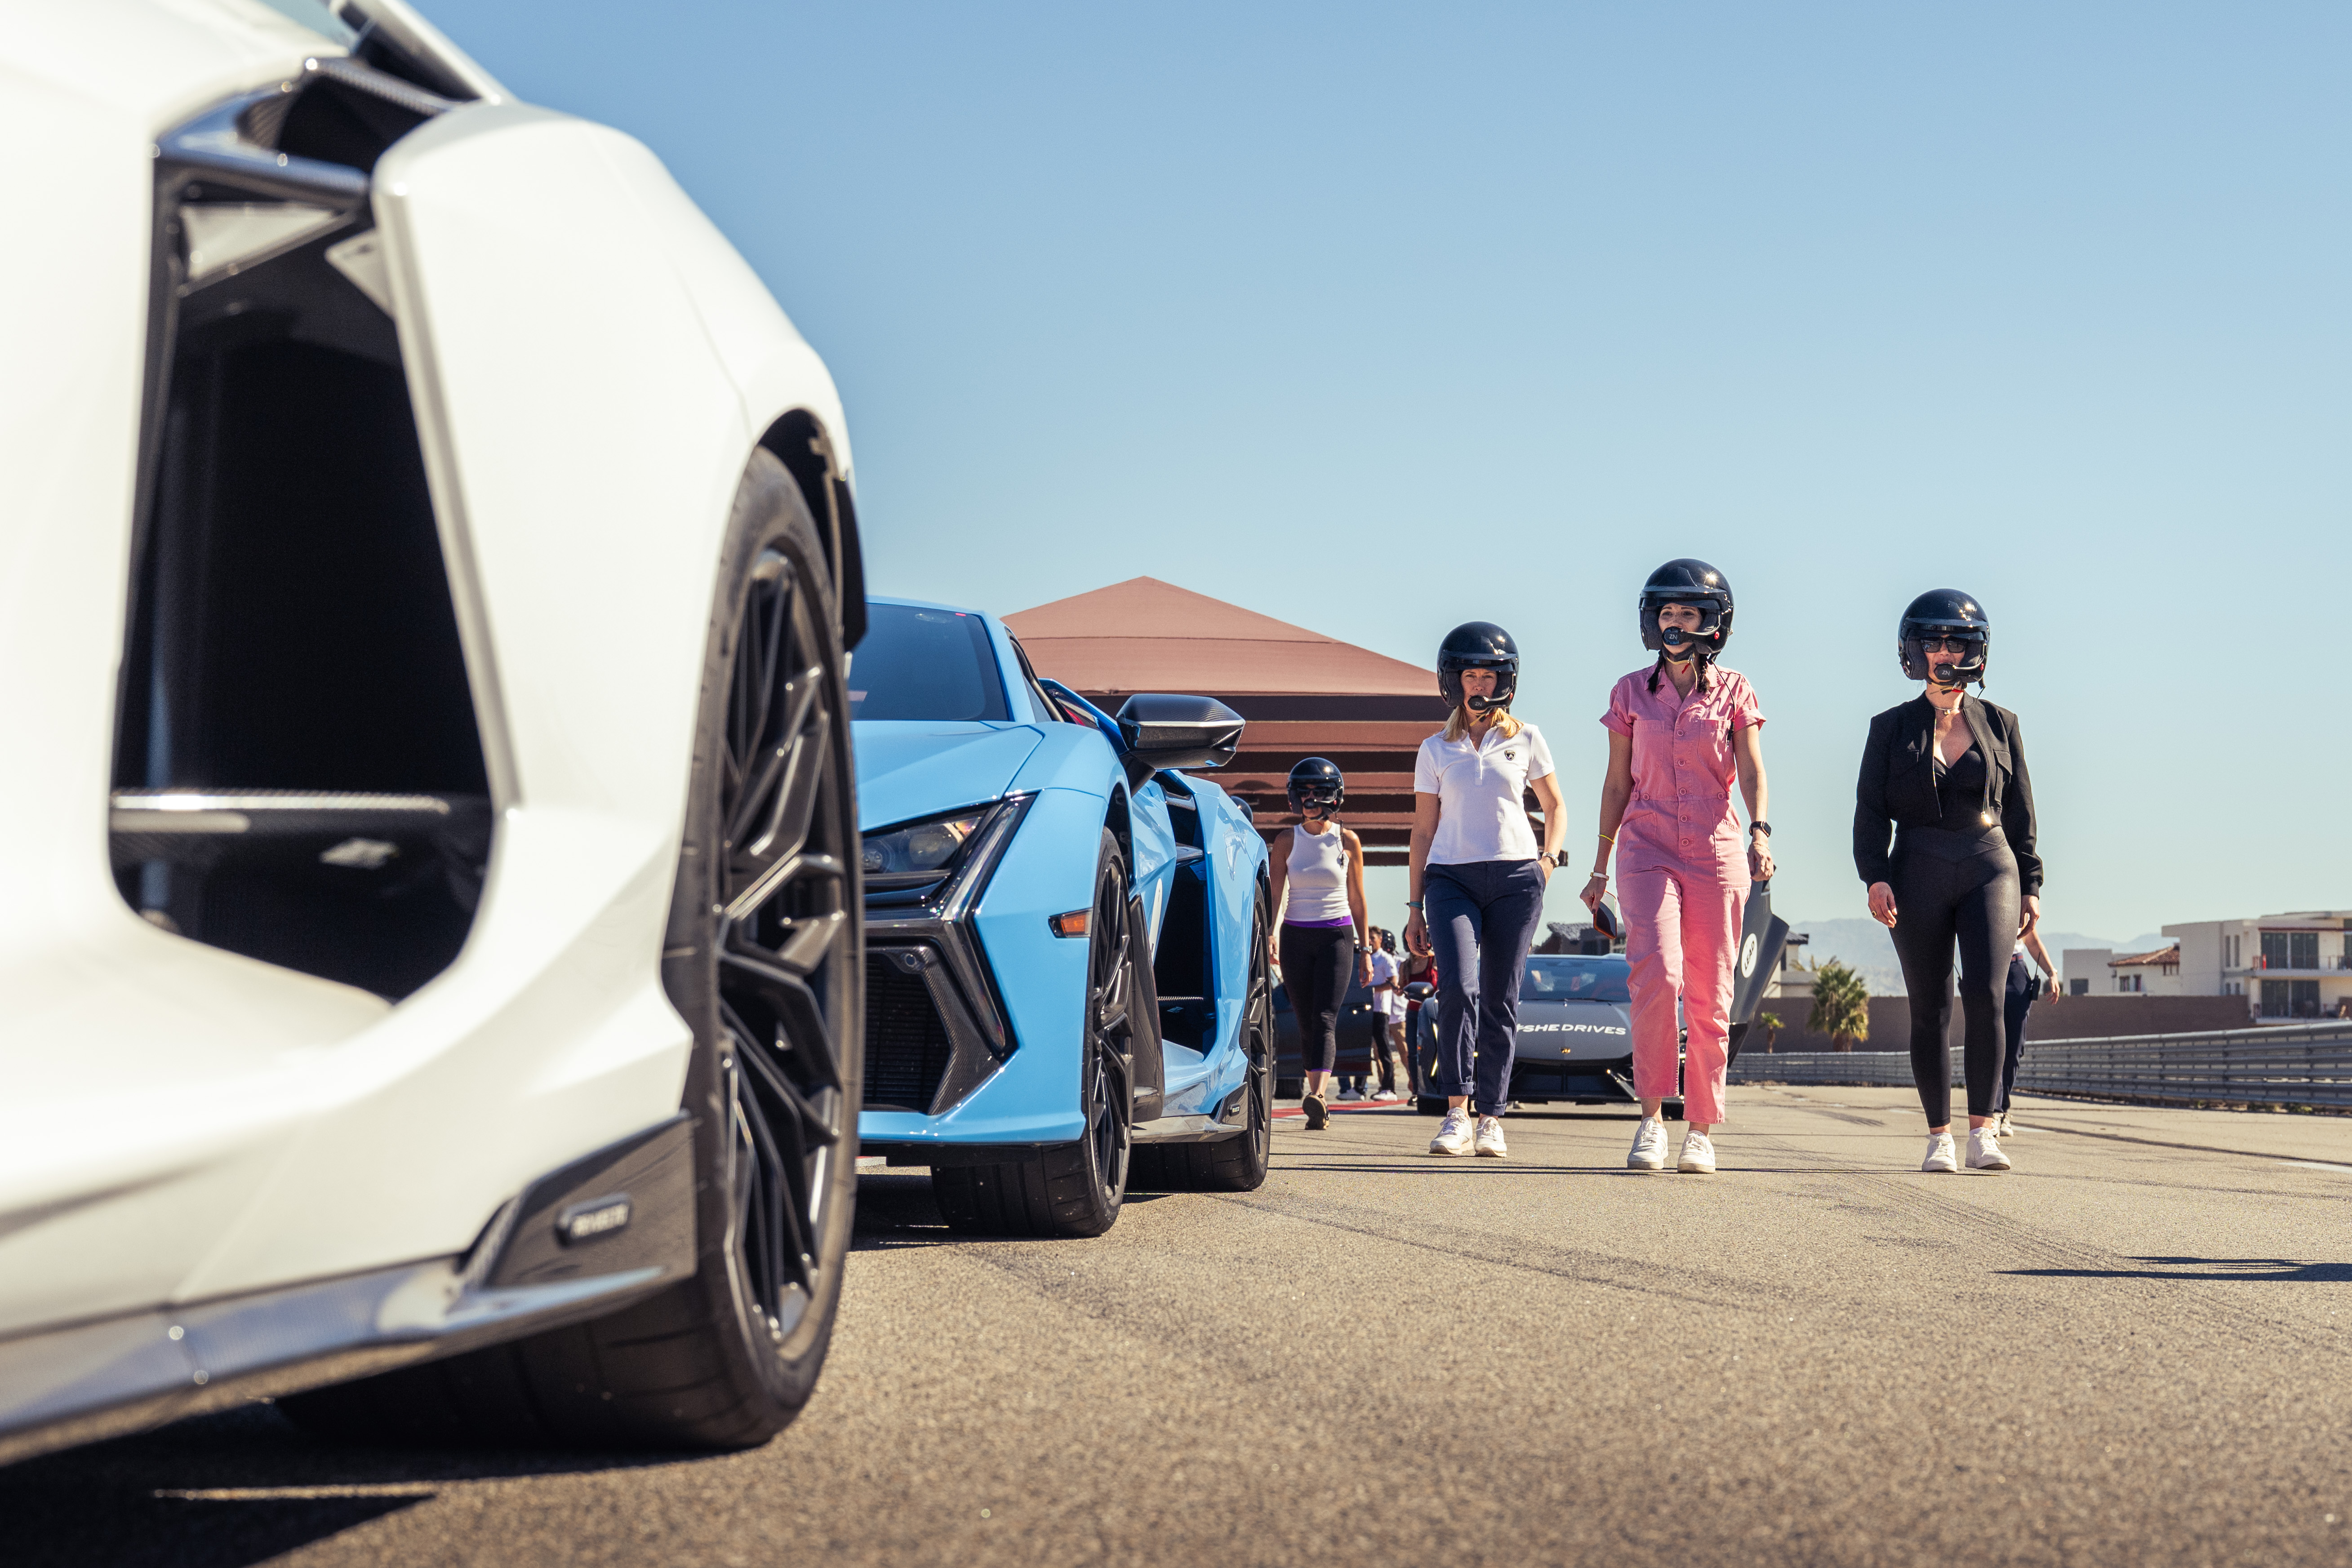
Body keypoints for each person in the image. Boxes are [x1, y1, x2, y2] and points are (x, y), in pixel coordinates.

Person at [1581, 559, 1771, 1177]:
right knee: (1657, 975)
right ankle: (1650, 1120)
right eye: (1665, 612)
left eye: (1687, 613)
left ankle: (1700, 1129)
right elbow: (1615, 782)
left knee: (1711, 993)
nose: (1674, 622)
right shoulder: (1630, 691)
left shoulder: (1735, 690)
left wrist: (1761, 831)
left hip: (1716, 851)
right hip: (1645, 847)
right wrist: (1599, 865)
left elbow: (1751, 769)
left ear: (1712, 623)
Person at [1855, 589, 2045, 1174]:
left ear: (1975, 653)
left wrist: (2031, 884)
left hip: (1991, 861)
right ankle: (1939, 1135)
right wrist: (1875, 877)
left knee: (1987, 996)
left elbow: (2021, 813)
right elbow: (1868, 812)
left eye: (1956, 642)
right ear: (1912, 651)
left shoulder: (2001, 724)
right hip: (1916, 866)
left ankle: (1982, 1133)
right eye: (1933, 641)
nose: (1944, 652)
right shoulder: (1890, 727)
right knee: (1929, 1006)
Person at [1405, 622, 1567, 1159]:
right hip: (1450, 877)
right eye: (1470, 674)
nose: (1480, 683)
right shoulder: (1434, 747)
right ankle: (1456, 1112)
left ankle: (1492, 1117)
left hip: (1517, 879)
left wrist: (1546, 861)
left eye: (1490, 674)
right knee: (1457, 989)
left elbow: (1555, 807)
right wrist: (1413, 907)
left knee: (1500, 997)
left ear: (1506, 681)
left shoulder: (1527, 737)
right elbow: (1423, 831)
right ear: (1452, 681)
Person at [1270, 756, 1371, 1130]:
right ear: (1295, 797)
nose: (1311, 798)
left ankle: (1317, 1096)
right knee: (1305, 1020)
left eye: (1319, 791)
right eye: (1305, 792)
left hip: (1337, 936)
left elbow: (1358, 898)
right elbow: (1276, 893)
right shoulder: (1284, 841)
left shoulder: (1348, 841)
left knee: (1326, 1016)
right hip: (1296, 935)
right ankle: (1317, 1098)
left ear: (1334, 796)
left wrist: (1365, 949)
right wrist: (1270, 933)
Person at [1995, 925, 2062, 1136]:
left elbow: (2032, 941)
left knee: (2014, 1049)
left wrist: (2051, 972)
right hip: (1987, 968)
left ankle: (2003, 1110)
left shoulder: (2021, 898)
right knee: (1992, 1045)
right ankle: (1994, 1111)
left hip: (2016, 974)